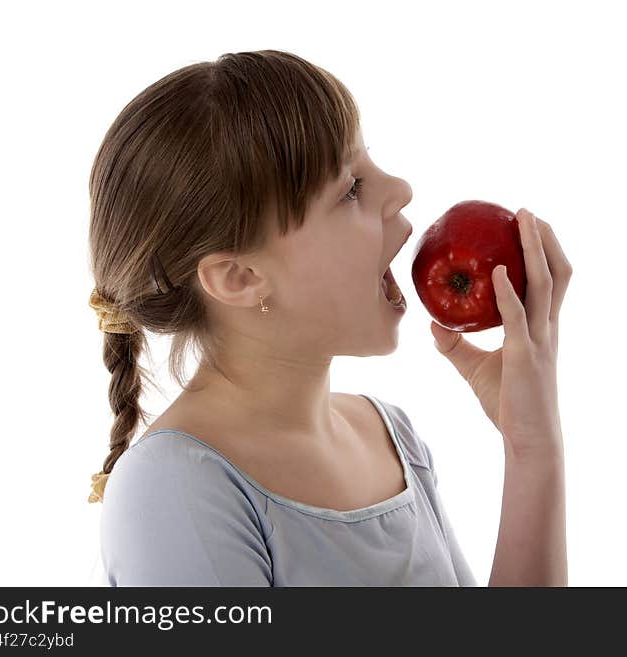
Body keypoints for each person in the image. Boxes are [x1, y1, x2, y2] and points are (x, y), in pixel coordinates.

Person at [86, 49, 572, 586]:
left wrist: (531, 444)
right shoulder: (173, 490)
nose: (401, 190)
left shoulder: (392, 437)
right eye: (350, 190)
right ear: (239, 277)